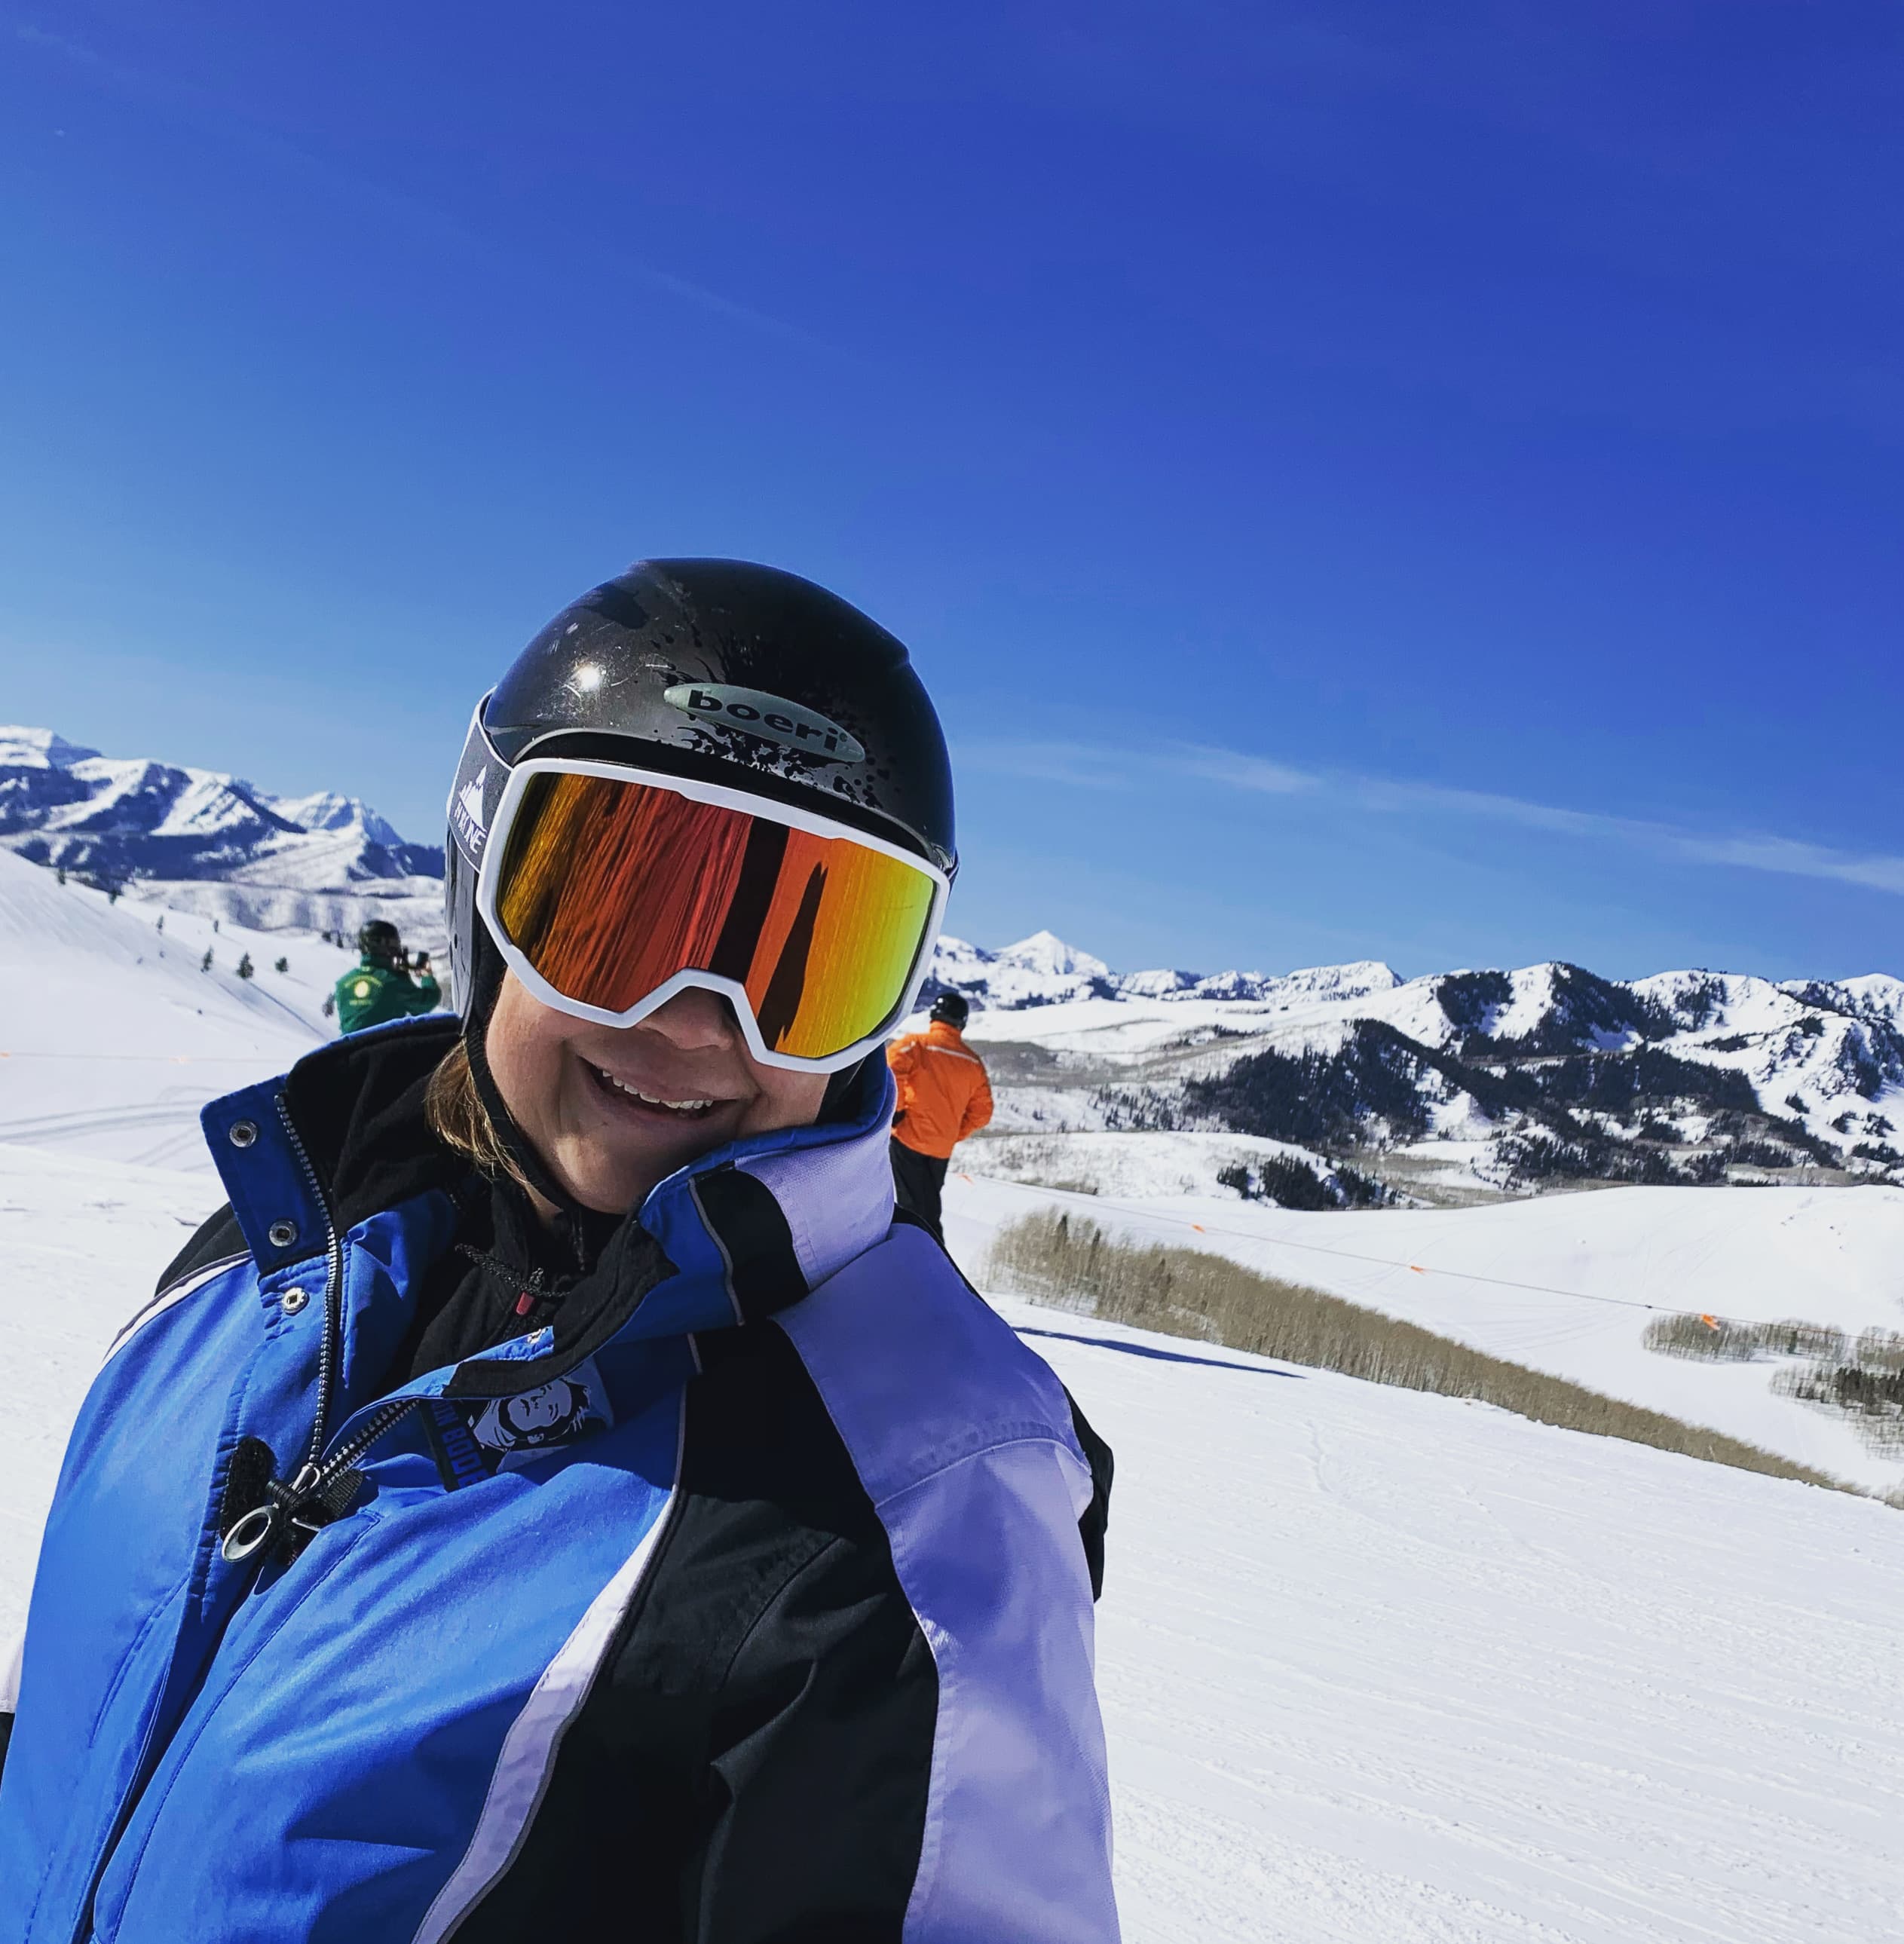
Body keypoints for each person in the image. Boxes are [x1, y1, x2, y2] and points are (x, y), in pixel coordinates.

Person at [0, 559, 1118, 1942]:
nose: (699, 1021)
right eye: (619, 913)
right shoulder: (266, 1255)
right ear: (481, 881)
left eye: (805, 957)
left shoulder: (906, 1502)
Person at [888, 987, 993, 1237]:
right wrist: (953, 1132)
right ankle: (932, 1258)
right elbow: (983, 1112)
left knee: (909, 1209)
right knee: (929, 1208)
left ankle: (914, 1257)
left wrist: (898, 1110)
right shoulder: (973, 1062)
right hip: (941, 1149)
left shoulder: (915, 1045)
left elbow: (892, 1067)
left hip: (907, 1139)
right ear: (962, 1023)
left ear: (934, 1015)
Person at [329, 917, 443, 1032]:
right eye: (394, 944)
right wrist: (427, 978)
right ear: (383, 944)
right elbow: (426, 1002)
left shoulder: (342, 984)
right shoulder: (394, 980)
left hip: (351, 1049)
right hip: (386, 1048)